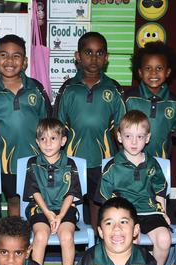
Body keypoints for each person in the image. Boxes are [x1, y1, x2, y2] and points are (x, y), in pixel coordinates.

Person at [53, 31, 125, 228]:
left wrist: (121, 159)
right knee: (69, 201)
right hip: (72, 158)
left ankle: (95, 242)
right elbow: (58, 128)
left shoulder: (114, 89)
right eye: (88, 52)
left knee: (98, 202)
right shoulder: (68, 89)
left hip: (104, 159)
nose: (94, 58)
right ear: (78, 56)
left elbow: (122, 129)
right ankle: (71, 244)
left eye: (100, 53)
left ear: (107, 57)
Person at [0, 34, 52, 217]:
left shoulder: (36, 88)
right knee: (13, 201)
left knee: (38, 201)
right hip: (5, 163)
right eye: (3, 55)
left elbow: (48, 128)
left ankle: (37, 239)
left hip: (37, 162)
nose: (9, 60)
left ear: (25, 61)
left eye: (16, 56)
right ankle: (16, 243)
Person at [97, 110, 172, 265]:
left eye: (139, 136)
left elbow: (160, 188)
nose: (134, 141)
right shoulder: (112, 167)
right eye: (128, 136)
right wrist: (115, 219)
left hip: (150, 212)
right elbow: (106, 198)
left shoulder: (152, 164)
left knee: (165, 238)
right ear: (119, 137)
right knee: (130, 241)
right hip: (125, 215)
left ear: (148, 138)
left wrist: (162, 210)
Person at [23, 118, 81, 265]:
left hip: (65, 210)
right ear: (37, 142)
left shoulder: (70, 164)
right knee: (40, 236)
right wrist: (48, 214)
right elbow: (34, 192)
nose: (48, 144)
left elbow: (71, 194)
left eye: (53, 138)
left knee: (66, 237)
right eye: (43, 139)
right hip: (40, 208)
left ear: (63, 141)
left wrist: (60, 216)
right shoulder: (33, 163)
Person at [124, 41, 176, 159]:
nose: (153, 73)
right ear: (140, 72)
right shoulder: (128, 99)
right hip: (130, 164)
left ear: (168, 72)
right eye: (148, 68)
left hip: (161, 165)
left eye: (159, 68)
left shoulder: (174, 103)